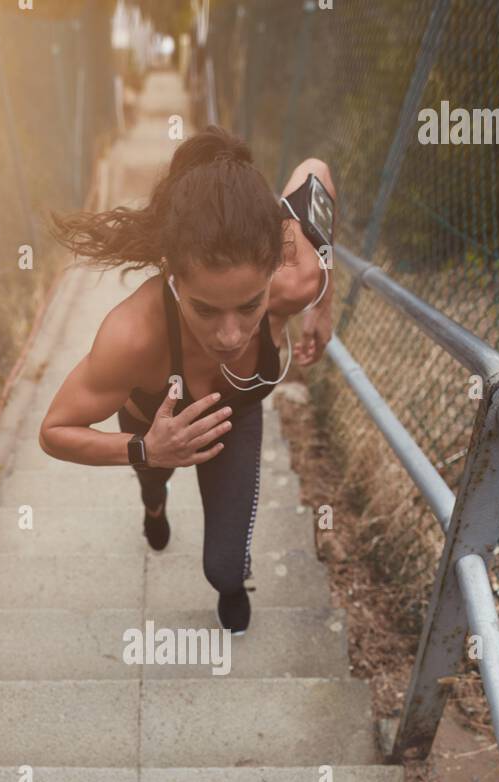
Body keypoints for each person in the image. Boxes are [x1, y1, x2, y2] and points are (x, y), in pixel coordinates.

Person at [38, 125, 335, 634]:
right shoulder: (133, 336)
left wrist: (322, 307)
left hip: (232, 415)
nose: (230, 334)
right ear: (173, 274)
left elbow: (316, 170)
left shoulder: (298, 277)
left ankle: (231, 585)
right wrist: (145, 450)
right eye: (204, 308)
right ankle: (154, 505)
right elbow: (54, 432)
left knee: (222, 567)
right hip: (151, 427)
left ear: (274, 271)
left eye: (249, 306)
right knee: (153, 481)